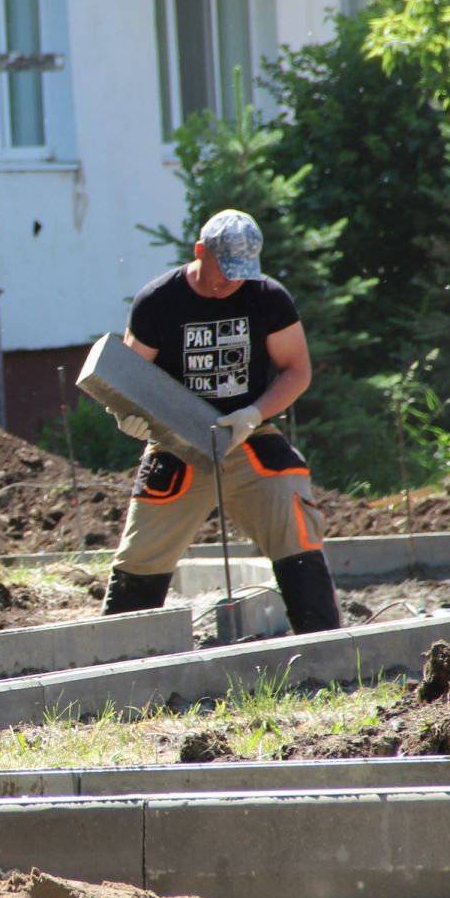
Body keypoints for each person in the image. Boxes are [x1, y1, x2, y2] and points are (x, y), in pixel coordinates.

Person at [99, 209, 342, 634]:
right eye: (223, 270)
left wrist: (252, 415)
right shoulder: (158, 301)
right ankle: (119, 665)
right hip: (174, 441)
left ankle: (325, 649)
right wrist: (127, 417)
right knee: (141, 554)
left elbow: (296, 370)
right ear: (199, 251)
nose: (230, 282)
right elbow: (127, 379)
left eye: (240, 273)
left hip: (248, 434)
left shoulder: (268, 299)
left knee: (295, 524)